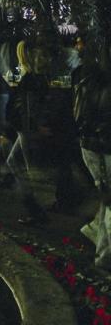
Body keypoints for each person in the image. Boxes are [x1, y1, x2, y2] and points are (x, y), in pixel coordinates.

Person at [5, 40, 49, 225]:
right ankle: (33, 205)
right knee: (15, 161)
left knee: (27, 167)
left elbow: (28, 107)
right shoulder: (35, 77)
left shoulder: (28, 78)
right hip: (26, 127)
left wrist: (31, 126)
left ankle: (36, 209)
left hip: (26, 128)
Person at [75, 42, 111, 266]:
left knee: (107, 198)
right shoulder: (104, 87)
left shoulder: (87, 80)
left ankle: (96, 239)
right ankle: (104, 257)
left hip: (90, 145)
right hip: (104, 146)